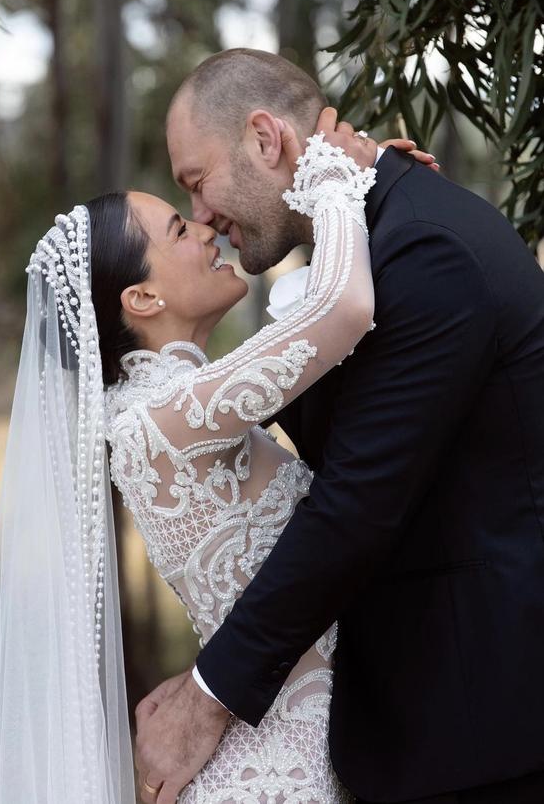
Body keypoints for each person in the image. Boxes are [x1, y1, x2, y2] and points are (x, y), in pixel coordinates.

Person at [0, 94, 421, 802]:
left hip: (309, 751)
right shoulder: (160, 416)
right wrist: (335, 174)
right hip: (282, 779)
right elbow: (344, 309)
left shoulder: (169, 406)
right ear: (140, 299)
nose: (203, 226)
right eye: (176, 227)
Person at [134, 48, 544, 804]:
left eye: (198, 182)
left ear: (266, 138)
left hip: (488, 727)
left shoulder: (425, 249)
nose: (200, 216)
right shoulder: (379, 237)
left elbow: (355, 505)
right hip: (427, 730)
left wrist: (206, 695)